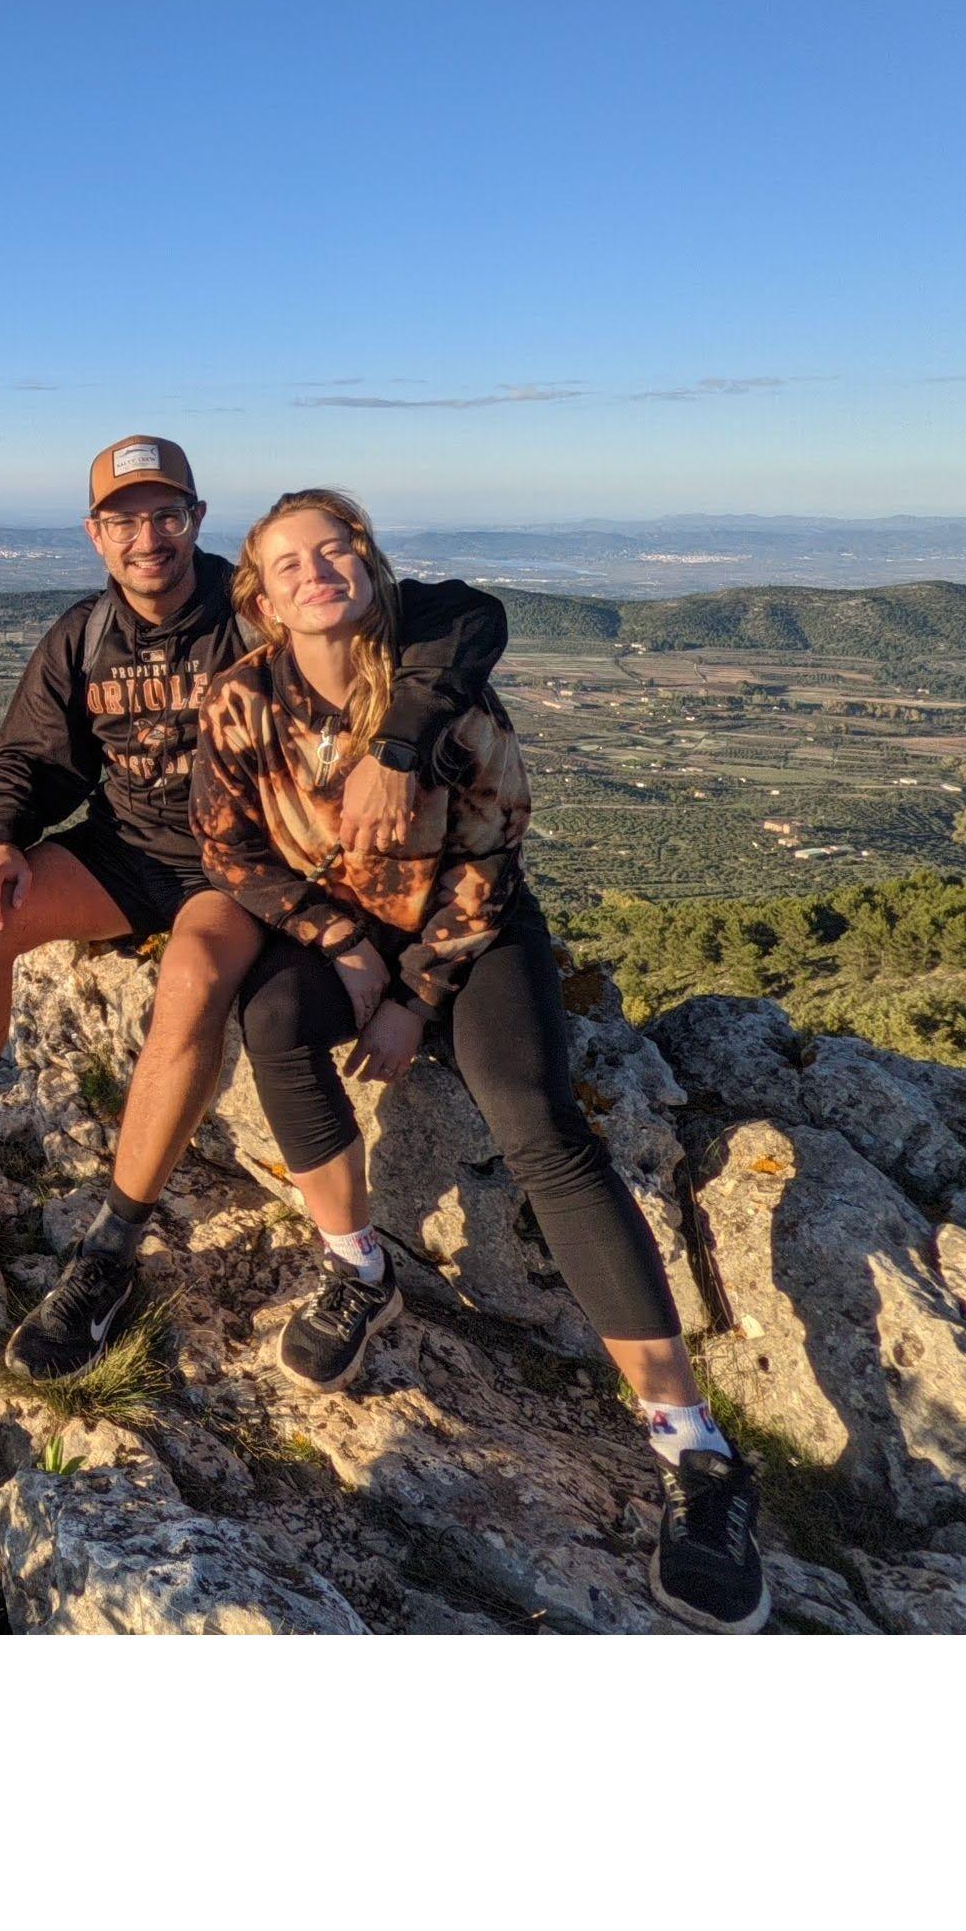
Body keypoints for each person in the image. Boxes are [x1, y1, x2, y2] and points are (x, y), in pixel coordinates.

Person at [190, 486, 768, 1632]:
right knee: (273, 1024)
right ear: (259, 595)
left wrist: (415, 993)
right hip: (349, 923)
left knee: (535, 1120)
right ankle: (360, 1269)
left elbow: (494, 854)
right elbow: (229, 844)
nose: (320, 569)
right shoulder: (241, 700)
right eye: (290, 560)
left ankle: (693, 1447)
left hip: (472, 928)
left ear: (370, 565)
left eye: (339, 548)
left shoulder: (434, 686)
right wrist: (345, 945)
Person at [0, 435, 510, 1386]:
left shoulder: (256, 609)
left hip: (233, 867)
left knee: (192, 978)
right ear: (95, 535)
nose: (146, 536)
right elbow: (30, 759)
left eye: (166, 514)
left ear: (195, 521)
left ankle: (110, 1249)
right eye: (124, 519)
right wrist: (0, 838)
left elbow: (464, 617)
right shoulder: (84, 635)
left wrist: (395, 749)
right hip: (123, 848)